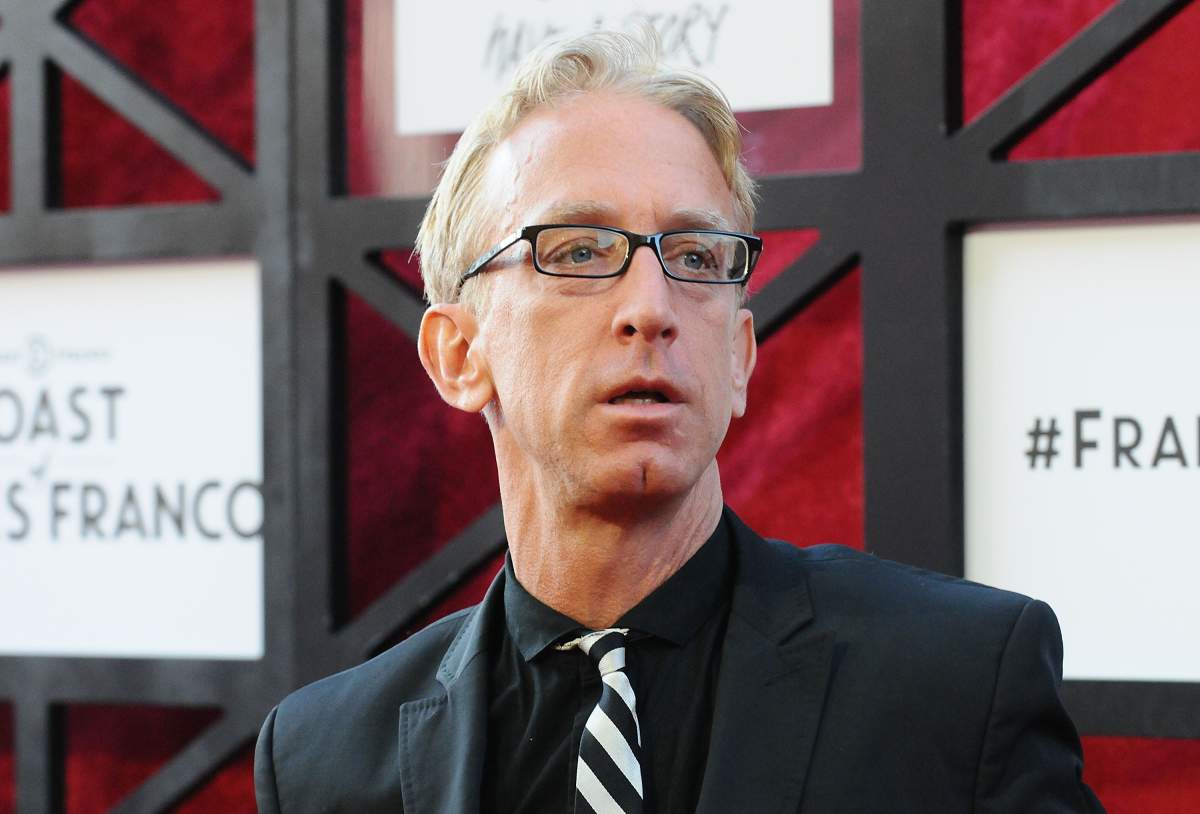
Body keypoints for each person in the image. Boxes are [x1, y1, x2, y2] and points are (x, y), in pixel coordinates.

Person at [254, 30, 1104, 813]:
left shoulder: (956, 685)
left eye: (695, 257)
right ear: (458, 355)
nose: (650, 308)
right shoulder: (321, 760)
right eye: (579, 251)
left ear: (739, 355)